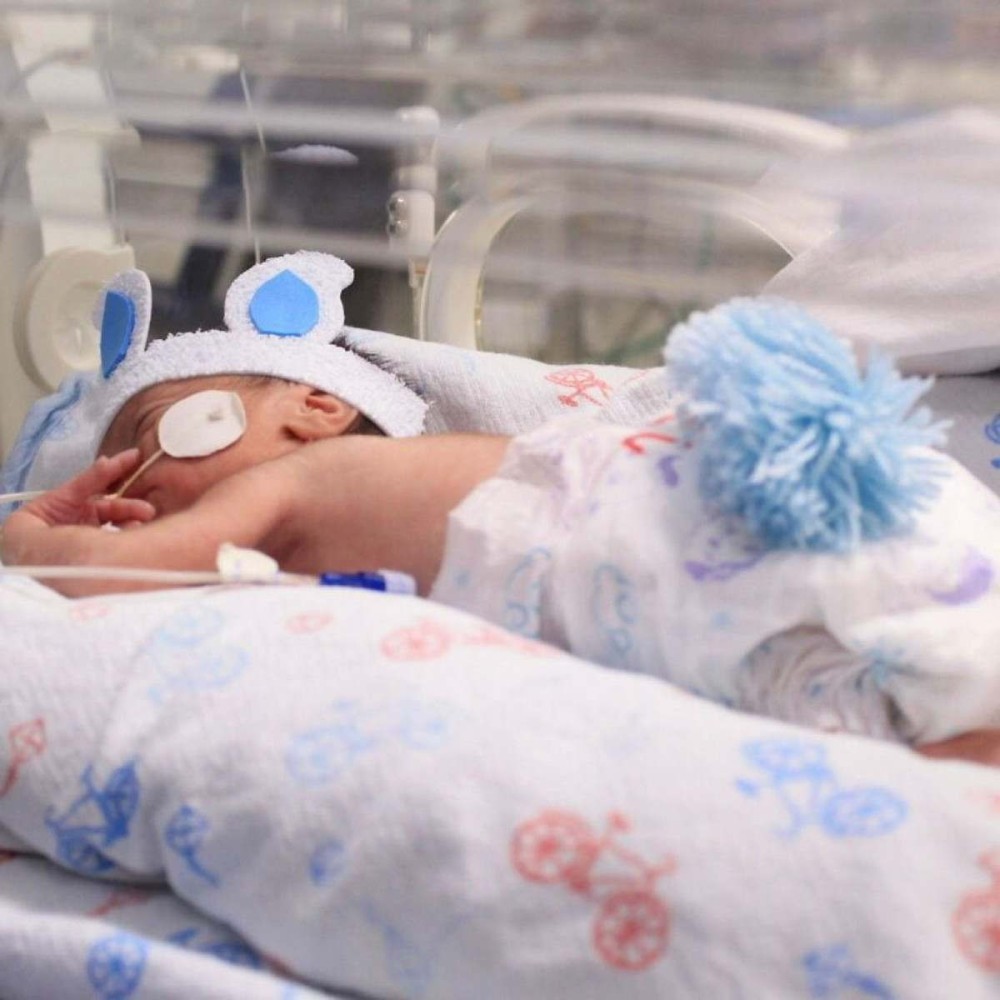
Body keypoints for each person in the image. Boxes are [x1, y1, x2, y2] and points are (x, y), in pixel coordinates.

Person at [3, 254, 1000, 766]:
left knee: (890, 608)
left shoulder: (286, 487)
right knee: (871, 702)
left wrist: (32, 533)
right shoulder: (301, 572)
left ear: (316, 407)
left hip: (650, 524)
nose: (145, 486)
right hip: (628, 617)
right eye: (122, 483)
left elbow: (106, 575)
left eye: (171, 436)